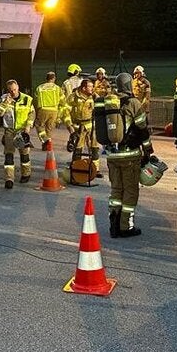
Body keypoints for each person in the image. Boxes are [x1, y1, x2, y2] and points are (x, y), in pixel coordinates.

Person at [106, 72, 154, 238]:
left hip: (112, 155)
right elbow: (142, 129)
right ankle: (126, 226)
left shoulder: (110, 102)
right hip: (130, 155)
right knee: (130, 191)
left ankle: (114, 222)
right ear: (128, 85)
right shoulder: (133, 103)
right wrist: (148, 150)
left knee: (116, 190)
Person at [0, 79, 35, 187]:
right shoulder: (4, 98)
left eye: (14, 89)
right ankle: (9, 179)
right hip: (9, 131)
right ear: (7, 90)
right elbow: (0, 113)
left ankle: (26, 174)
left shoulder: (27, 99)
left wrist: (28, 126)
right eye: (10, 90)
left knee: (24, 154)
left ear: (18, 87)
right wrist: (6, 103)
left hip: (22, 131)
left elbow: (32, 113)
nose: (13, 92)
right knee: (8, 155)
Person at [64, 76, 101, 183]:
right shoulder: (73, 97)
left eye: (92, 86)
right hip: (78, 126)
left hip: (90, 126)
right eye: (90, 87)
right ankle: (76, 170)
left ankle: (95, 170)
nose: (92, 89)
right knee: (78, 149)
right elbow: (65, 111)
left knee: (94, 148)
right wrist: (70, 127)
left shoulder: (94, 96)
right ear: (83, 88)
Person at [33, 71, 65, 149]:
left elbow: (35, 100)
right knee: (49, 129)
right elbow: (63, 100)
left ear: (46, 78)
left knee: (39, 126)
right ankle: (48, 146)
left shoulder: (39, 87)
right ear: (54, 78)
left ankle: (45, 140)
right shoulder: (57, 88)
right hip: (54, 111)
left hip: (43, 110)